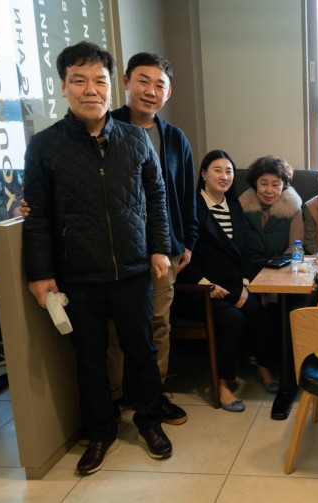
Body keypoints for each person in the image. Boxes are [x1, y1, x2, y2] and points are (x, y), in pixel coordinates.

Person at [22, 41, 173, 475]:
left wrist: (159, 247)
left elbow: (157, 197)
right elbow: (38, 214)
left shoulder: (135, 138)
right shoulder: (45, 146)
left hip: (133, 270)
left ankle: (149, 422)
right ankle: (100, 431)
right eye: (79, 80)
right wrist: (40, 272)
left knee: (141, 352)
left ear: (111, 87)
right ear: (64, 87)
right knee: (89, 359)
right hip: (78, 274)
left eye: (99, 81)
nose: (91, 90)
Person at [106, 51, 197, 425]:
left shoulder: (174, 138)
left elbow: (186, 195)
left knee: (159, 324)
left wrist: (187, 241)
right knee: (116, 330)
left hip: (165, 249)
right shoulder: (103, 128)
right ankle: (113, 398)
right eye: (143, 81)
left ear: (168, 93)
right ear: (126, 82)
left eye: (160, 85)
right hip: (116, 251)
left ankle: (152, 396)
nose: (150, 90)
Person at [175, 150, 279, 412]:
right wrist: (204, 284)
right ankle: (222, 384)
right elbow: (182, 255)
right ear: (203, 174)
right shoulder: (191, 207)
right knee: (233, 319)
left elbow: (245, 251)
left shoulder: (233, 206)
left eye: (229, 171)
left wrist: (244, 284)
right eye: (218, 170)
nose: (224, 176)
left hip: (232, 286)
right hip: (199, 289)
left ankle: (263, 367)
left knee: (258, 311)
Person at [238, 155, 303, 271]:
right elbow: (238, 246)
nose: (269, 190)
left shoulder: (294, 209)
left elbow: (294, 247)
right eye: (263, 184)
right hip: (248, 269)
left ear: (283, 185)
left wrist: (275, 267)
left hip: (282, 269)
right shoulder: (241, 207)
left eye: (275, 185)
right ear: (255, 183)